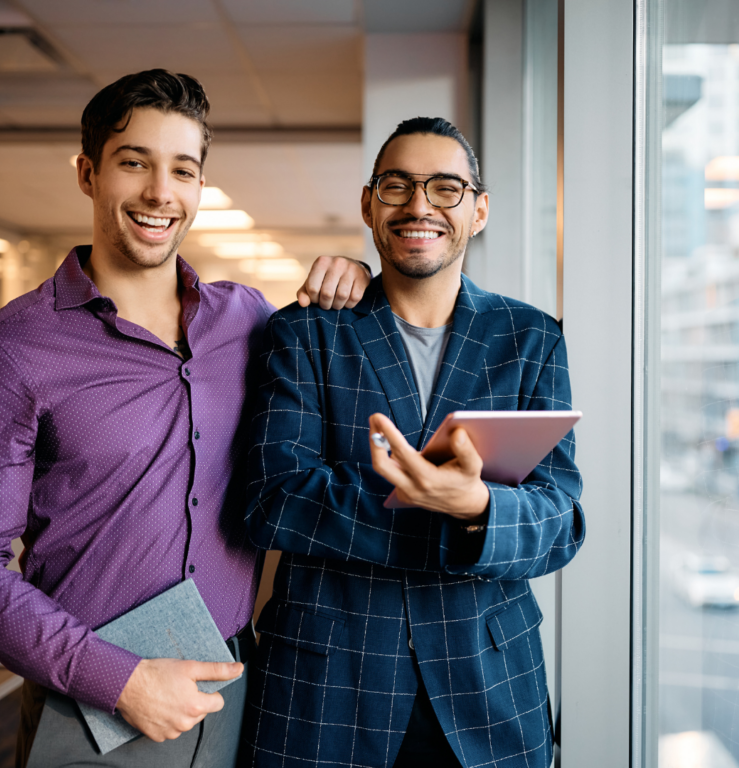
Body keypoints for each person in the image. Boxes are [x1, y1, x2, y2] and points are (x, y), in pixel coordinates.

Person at [0, 69, 372, 768]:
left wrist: (356, 276)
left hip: (233, 690)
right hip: (92, 706)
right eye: (134, 162)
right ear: (88, 172)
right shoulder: (6, 354)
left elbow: (341, 384)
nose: (161, 192)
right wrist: (120, 680)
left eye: (183, 170)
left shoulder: (247, 319)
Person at [240, 117, 586, 768]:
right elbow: (273, 499)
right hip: (327, 686)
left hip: (490, 688)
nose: (419, 205)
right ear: (369, 205)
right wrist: (442, 511)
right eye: (397, 186)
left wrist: (479, 512)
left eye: (445, 188)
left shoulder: (532, 338)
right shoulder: (306, 332)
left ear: (478, 210)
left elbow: (561, 519)